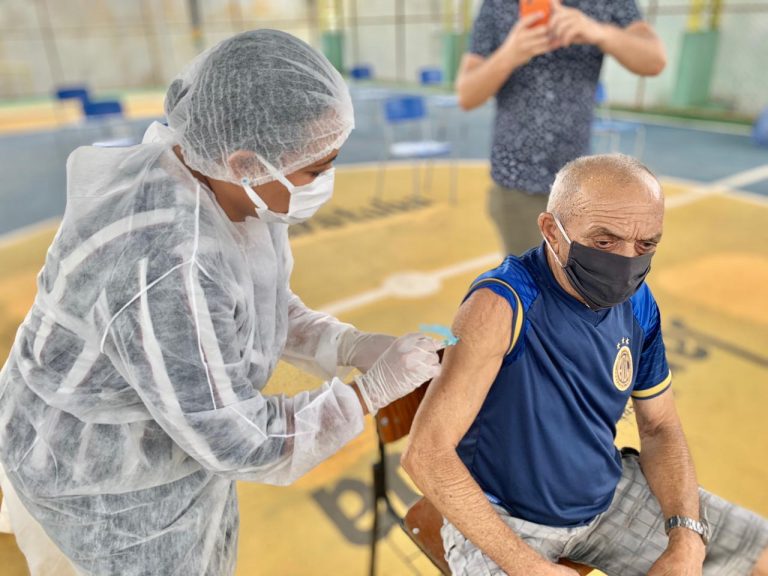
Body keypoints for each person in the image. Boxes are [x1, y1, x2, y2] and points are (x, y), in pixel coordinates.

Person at [0, 29, 442, 576]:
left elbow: (255, 304)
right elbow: (238, 439)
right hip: (102, 489)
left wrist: (350, 345)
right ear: (245, 161)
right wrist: (367, 394)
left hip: (163, 449)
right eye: (316, 169)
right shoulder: (168, 259)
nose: (324, 181)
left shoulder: (225, 188)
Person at [402, 154, 768, 576]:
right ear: (551, 231)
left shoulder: (639, 303)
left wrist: (686, 534)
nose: (627, 262)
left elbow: (659, 426)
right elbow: (425, 454)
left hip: (607, 496)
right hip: (503, 517)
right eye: (605, 242)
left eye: (646, 245)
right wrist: (530, 567)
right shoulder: (502, 304)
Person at [456, 0, 666, 255]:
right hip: (517, 178)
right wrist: (509, 54)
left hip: (580, 184)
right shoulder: (497, 4)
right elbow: (467, 95)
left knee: (584, 276)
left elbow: (654, 60)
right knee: (534, 278)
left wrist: (599, 32)